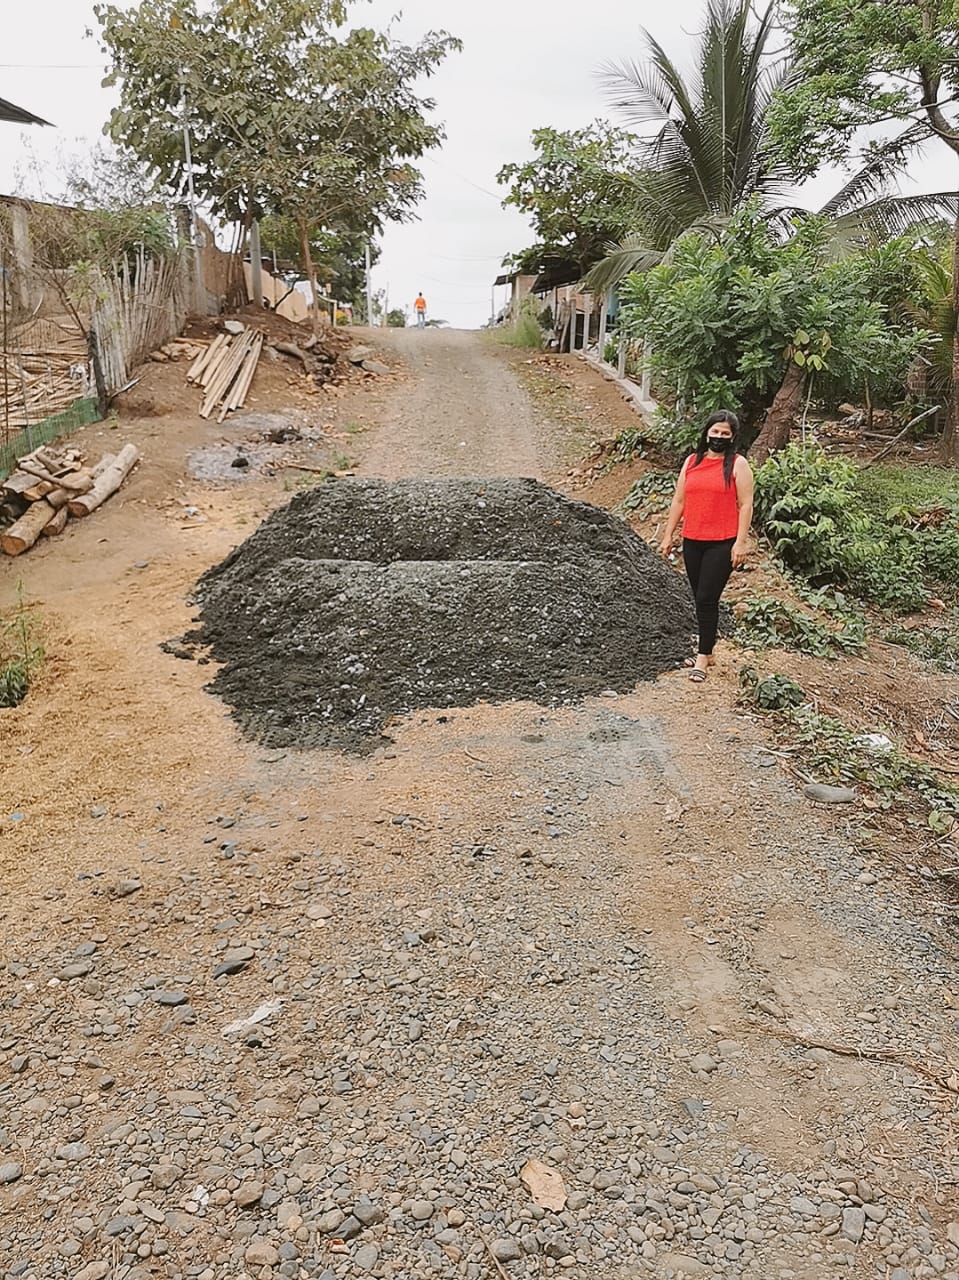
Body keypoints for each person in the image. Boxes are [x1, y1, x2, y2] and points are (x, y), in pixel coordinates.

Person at [659, 410, 754, 682]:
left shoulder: (738, 465)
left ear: (733, 437)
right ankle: (708, 650)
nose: (719, 437)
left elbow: (745, 504)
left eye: (725, 433)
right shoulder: (692, 462)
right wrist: (668, 535)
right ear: (707, 432)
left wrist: (740, 542)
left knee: (706, 598)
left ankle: (702, 656)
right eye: (715, 432)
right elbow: (679, 501)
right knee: (700, 596)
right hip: (693, 539)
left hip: (722, 542)